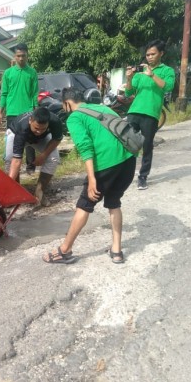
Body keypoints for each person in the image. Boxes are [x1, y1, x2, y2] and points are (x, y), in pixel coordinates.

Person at [43, 87, 136, 265]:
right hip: (128, 160)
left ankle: (64, 250)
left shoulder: (75, 117)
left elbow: (86, 148)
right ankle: (116, 251)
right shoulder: (103, 108)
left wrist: (92, 179)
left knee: (84, 205)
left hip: (106, 164)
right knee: (114, 203)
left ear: (66, 104)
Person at [125, 39, 175, 190]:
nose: (150, 57)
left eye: (153, 54)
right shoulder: (139, 75)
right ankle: (124, 174)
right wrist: (129, 78)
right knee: (127, 143)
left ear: (161, 54)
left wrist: (152, 75)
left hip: (151, 114)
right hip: (134, 112)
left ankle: (142, 177)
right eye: (147, 55)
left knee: (147, 146)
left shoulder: (167, 71)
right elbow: (128, 92)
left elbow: (168, 87)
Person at [5, 107, 63, 207]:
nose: (39, 131)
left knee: (54, 158)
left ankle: (39, 192)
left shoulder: (56, 121)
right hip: (15, 133)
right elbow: (16, 160)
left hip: (41, 140)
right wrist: (9, 185)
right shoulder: (22, 126)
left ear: (48, 123)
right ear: (30, 120)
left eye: (43, 129)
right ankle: (13, 191)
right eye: (36, 128)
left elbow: (57, 139)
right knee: (9, 158)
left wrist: (44, 155)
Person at [0, 43, 39, 175]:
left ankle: (31, 165)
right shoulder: (8, 73)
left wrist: (35, 110)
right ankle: (13, 165)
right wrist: (0, 112)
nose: (21, 59)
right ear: (14, 57)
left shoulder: (32, 72)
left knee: (30, 139)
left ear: (27, 56)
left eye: (23, 56)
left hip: (28, 111)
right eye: (18, 56)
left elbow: (34, 93)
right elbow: (4, 94)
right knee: (12, 139)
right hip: (12, 112)